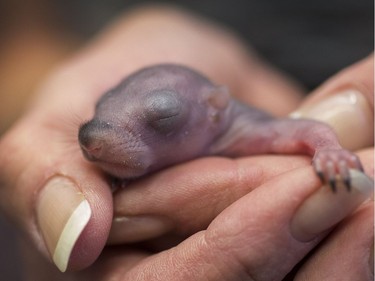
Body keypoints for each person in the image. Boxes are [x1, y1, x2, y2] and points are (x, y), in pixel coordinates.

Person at [0, 5, 373, 280]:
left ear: (215, 109)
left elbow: (308, 130)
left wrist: (330, 151)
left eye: (162, 118)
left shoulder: (245, 129)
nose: (94, 140)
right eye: (102, 112)